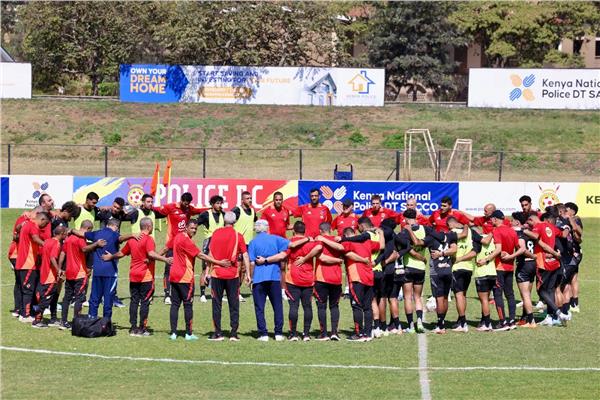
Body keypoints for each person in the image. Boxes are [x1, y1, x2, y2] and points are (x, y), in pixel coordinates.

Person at [102, 217, 173, 336]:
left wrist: (111, 257)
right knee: (145, 302)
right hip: (146, 276)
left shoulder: (132, 240)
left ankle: (133, 327)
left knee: (134, 301)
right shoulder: (149, 239)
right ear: (149, 227)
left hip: (133, 275)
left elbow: (121, 253)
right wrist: (165, 259)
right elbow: (150, 253)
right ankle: (142, 328)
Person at [168, 220, 229, 341]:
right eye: (192, 228)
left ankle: (173, 333)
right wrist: (218, 262)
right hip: (185, 277)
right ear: (186, 228)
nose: (194, 231)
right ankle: (188, 333)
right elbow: (201, 255)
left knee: (175, 305)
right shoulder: (187, 241)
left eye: (196, 229)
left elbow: (166, 247)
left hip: (174, 275)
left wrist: (158, 257)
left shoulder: (177, 237)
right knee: (188, 305)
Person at [71, 218, 136, 322]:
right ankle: (106, 321)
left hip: (97, 271)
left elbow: (82, 234)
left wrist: (71, 230)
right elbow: (121, 238)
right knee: (108, 298)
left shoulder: (96, 233)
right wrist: (132, 235)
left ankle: (92, 319)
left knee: (94, 297)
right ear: (116, 227)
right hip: (110, 272)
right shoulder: (114, 235)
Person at [204, 212, 250, 342]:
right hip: (233, 275)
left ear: (224, 221)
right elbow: (245, 255)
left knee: (216, 304)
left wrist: (207, 271)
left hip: (217, 274)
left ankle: (217, 333)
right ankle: (234, 333)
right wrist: (248, 274)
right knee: (234, 304)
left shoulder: (216, 234)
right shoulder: (238, 236)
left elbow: (210, 254)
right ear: (234, 222)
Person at [153, 192, 206, 304]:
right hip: (172, 243)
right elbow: (157, 210)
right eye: (184, 203)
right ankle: (167, 295)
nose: (186, 205)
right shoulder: (171, 207)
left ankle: (185, 291)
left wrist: (210, 208)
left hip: (185, 244)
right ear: (181, 200)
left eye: (188, 204)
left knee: (188, 267)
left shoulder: (189, 208)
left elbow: (198, 211)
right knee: (169, 267)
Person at [407, 223, 458, 334]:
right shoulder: (450, 236)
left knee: (439, 298)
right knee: (445, 297)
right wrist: (445, 254)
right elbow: (454, 250)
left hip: (437, 272)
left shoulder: (430, 238)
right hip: (448, 270)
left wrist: (409, 231)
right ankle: (442, 321)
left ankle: (440, 325)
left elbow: (417, 242)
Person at [247, 219, 290, 341]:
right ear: (267, 228)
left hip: (259, 278)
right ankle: (278, 333)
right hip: (274, 277)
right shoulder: (275, 239)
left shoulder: (253, 242)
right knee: (277, 306)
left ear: (256, 229)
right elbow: (290, 244)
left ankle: (263, 333)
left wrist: (250, 277)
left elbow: (252, 263)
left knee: (259, 307)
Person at [524, 213, 569, 326]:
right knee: (550, 290)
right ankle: (550, 317)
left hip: (543, 263)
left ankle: (559, 313)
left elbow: (535, 236)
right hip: (554, 262)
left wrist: (524, 230)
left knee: (541, 291)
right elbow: (563, 234)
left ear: (532, 220)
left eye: (529, 222)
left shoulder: (538, 226)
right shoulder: (552, 227)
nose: (528, 224)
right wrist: (567, 226)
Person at [341, 227, 383, 341]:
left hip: (356, 278)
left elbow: (348, 254)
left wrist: (361, 260)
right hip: (369, 277)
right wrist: (381, 233)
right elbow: (382, 246)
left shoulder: (348, 242)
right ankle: (368, 333)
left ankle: (359, 334)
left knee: (356, 306)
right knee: (367, 307)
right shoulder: (368, 242)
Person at [285, 221, 322, 341]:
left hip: (293, 279)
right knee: (307, 307)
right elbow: (319, 247)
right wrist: (307, 258)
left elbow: (284, 255)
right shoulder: (311, 242)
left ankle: (293, 333)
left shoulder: (290, 242)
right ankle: (306, 334)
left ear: (293, 231)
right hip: (308, 279)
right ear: (304, 231)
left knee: (293, 307)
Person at [376, 217, 411, 335]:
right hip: (397, 271)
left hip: (385, 269)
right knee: (393, 298)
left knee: (382, 298)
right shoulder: (395, 235)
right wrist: (398, 254)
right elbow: (407, 246)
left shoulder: (381, 234)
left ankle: (382, 326)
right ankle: (397, 325)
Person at [59, 220, 95, 330]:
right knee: (79, 298)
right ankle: (76, 322)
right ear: (88, 229)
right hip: (80, 273)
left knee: (67, 298)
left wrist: (60, 268)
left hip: (69, 272)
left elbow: (62, 253)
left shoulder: (68, 239)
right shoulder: (80, 239)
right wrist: (96, 245)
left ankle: (63, 321)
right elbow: (84, 249)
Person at [15, 211, 50, 322]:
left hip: (22, 262)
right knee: (28, 291)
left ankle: (22, 312)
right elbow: (35, 238)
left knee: (23, 289)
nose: (44, 227)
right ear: (42, 219)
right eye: (45, 224)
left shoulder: (27, 223)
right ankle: (26, 315)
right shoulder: (34, 226)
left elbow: (18, 227)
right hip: (28, 263)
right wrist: (47, 245)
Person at [314, 222, 345, 341]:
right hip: (336, 278)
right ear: (331, 229)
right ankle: (334, 333)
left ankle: (323, 334)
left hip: (322, 278)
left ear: (320, 230)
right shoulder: (337, 239)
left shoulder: (319, 240)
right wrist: (338, 260)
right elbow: (340, 248)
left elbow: (321, 258)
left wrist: (323, 239)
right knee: (334, 306)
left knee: (321, 306)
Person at [490, 210, 521, 331]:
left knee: (498, 294)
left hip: (499, 267)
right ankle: (512, 320)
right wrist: (511, 256)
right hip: (510, 267)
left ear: (495, 219)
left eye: (491, 219)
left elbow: (498, 249)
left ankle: (502, 322)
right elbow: (520, 248)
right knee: (510, 294)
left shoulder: (496, 230)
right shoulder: (512, 231)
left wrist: (486, 259)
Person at [32, 226, 67, 328]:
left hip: (44, 273)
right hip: (50, 276)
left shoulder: (47, 241)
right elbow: (52, 257)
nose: (66, 235)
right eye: (65, 233)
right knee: (46, 298)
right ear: (62, 233)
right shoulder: (56, 243)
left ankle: (53, 318)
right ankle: (37, 321)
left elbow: (41, 255)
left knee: (51, 297)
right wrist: (58, 270)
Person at [447, 216, 478, 333]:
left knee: (458, 295)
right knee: (463, 295)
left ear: (451, 224)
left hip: (457, 267)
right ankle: (460, 320)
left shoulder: (452, 233)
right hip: (469, 267)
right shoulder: (470, 232)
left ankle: (463, 323)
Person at [400, 209, 428, 333]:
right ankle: (420, 322)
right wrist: (422, 257)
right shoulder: (424, 229)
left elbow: (408, 249)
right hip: (421, 268)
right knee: (417, 297)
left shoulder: (405, 230)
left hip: (408, 267)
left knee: (407, 297)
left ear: (406, 218)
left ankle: (411, 325)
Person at [195, 195, 225, 302]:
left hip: (221, 243)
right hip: (209, 243)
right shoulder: (205, 214)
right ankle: (202, 294)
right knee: (205, 268)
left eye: (221, 203)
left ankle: (217, 293)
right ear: (212, 204)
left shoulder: (223, 214)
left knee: (219, 267)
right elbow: (195, 224)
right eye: (217, 203)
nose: (220, 205)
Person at [511, 212, 538, 327]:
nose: (511, 222)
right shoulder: (530, 233)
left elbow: (522, 249)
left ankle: (531, 321)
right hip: (533, 265)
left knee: (525, 294)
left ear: (517, 222)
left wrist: (511, 256)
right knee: (527, 294)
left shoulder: (519, 234)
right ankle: (525, 318)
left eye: (512, 220)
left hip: (524, 265)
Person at [473, 229, 499, 331]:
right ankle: (484, 320)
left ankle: (487, 324)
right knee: (486, 299)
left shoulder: (476, 242)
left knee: (484, 300)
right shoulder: (492, 241)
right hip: (493, 272)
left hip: (481, 273)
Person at [563, 202, 583, 313]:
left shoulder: (576, 219)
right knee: (572, 278)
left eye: (567, 209)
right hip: (570, 253)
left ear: (573, 211)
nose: (565, 210)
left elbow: (579, 234)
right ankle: (573, 303)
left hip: (574, 254)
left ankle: (570, 304)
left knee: (568, 279)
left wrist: (570, 219)